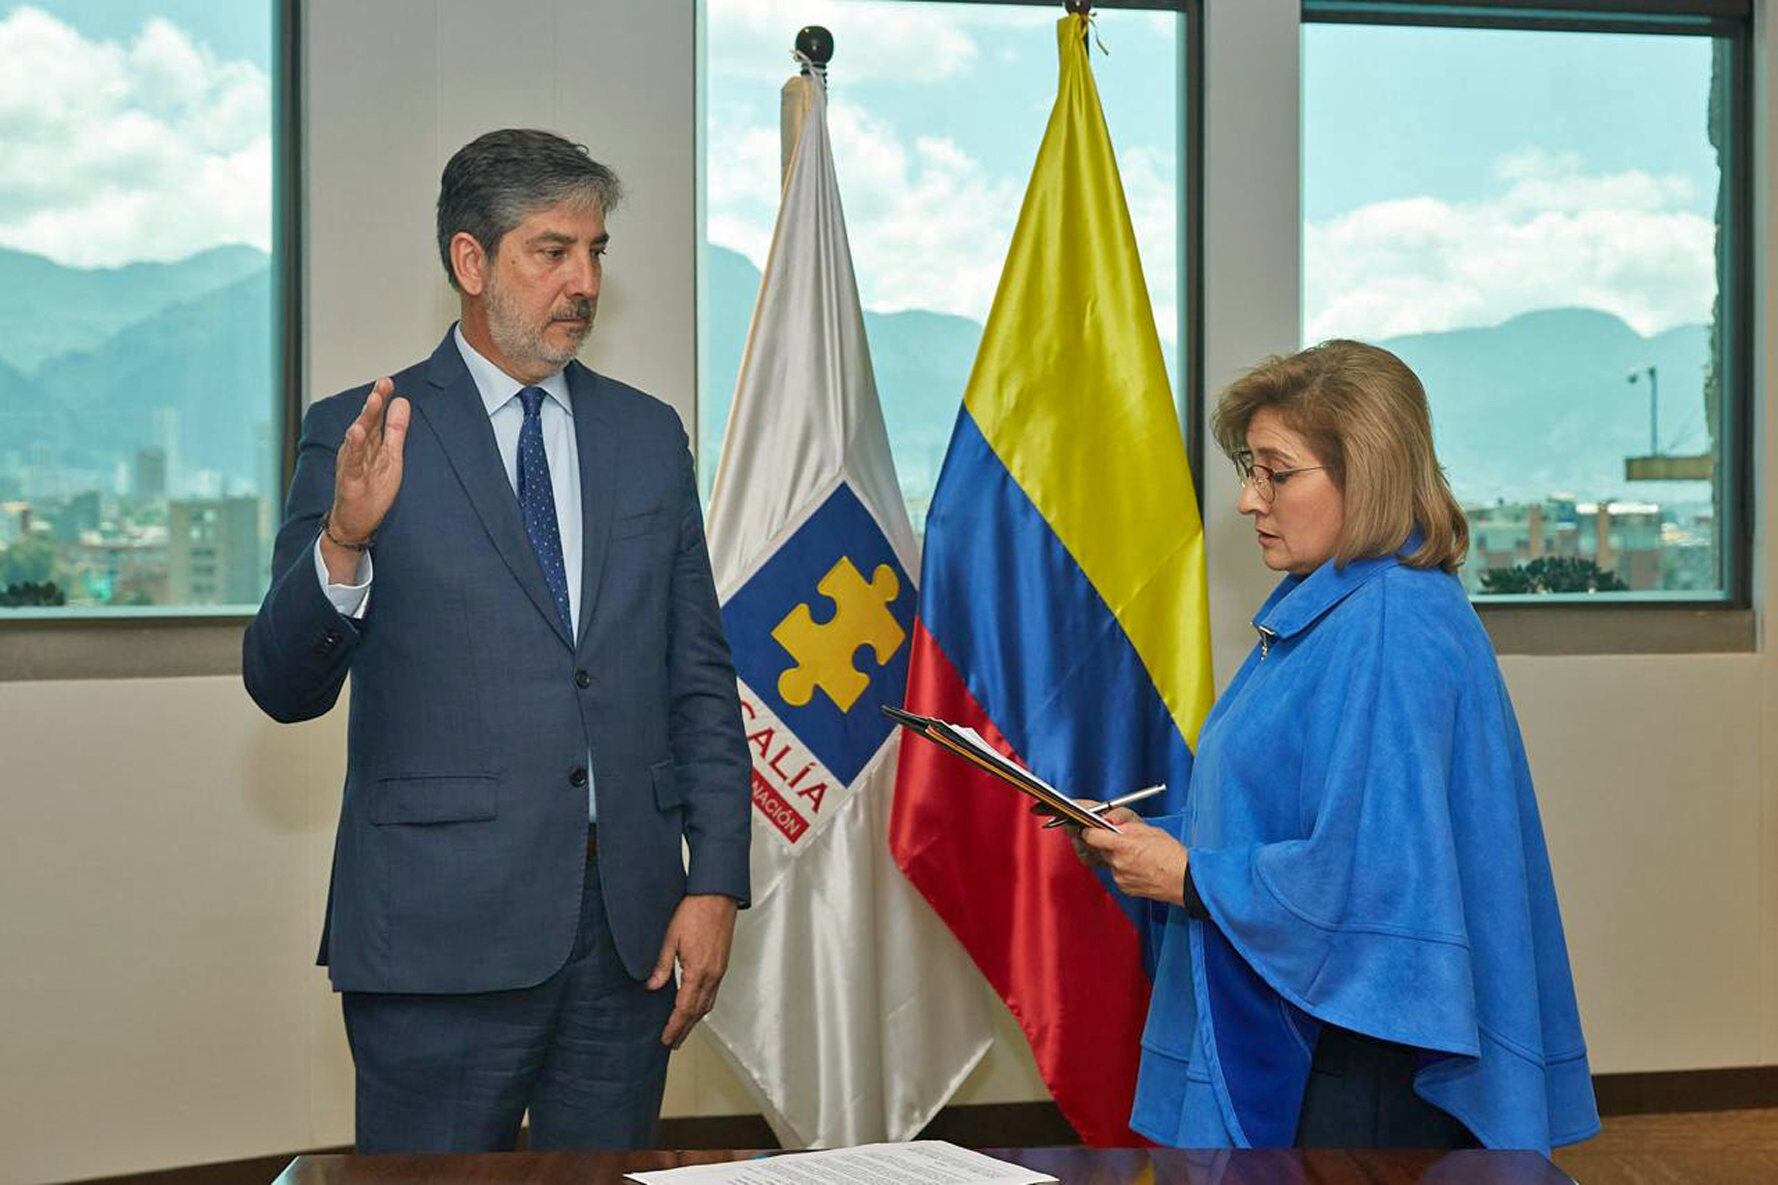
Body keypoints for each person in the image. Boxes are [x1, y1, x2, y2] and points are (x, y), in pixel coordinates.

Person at [242, 129, 750, 1153]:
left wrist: (715, 882)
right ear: (470, 261)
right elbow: (282, 685)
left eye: (595, 251)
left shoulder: (647, 436)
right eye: (551, 251)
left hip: (627, 933)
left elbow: (697, 674)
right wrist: (344, 539)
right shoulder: (364, 430)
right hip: (438, 934)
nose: (584, 282)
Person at [1072, 340, 1599, 1152]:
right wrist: (1159, 840)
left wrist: (1188, 875)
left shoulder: (1387, 623)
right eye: (1250, 468)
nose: (1249, 499)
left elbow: (1374, 877)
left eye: (1277, 473)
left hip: (1356, 1055)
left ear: (1367, 474)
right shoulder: (1339, 607)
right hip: (1330, 1025)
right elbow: (1301, 815)